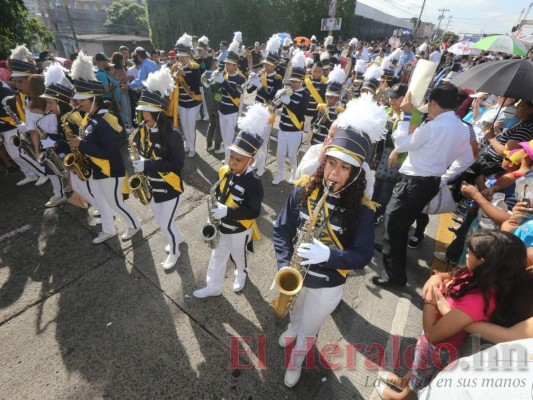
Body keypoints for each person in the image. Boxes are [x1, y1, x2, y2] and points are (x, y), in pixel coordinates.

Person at [273, 95, 386, 387]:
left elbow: (361, 255)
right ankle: (291, 328)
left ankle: (297, 360)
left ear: (356, 173)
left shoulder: (362, 210)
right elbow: (282, 230)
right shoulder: (302, 191)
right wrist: (285, 265)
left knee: (310, 328)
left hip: (327, 284)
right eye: (330, 163)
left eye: (344, 167)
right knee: (296, 313)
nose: (333, 173)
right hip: (297, 274)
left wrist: (329, 256)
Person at [375, 230, 528, 400]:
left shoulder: (476, 301)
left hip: (437, 348)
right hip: (433, 343)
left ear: (483, 262)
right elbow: (455, 275)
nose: (466, 256)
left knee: (420, 379)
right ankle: (404, 381)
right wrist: (437, 278)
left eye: (469, 253)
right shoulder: (480, 276)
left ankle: (401, 397)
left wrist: (429, 301)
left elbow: (433, 334)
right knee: (418, 369)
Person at [373, 84, 474, 289]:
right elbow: (469, 158)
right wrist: (443, 177)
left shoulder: (433, 126)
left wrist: (407, 115)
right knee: (399, 226)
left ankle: (394, 276)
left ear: (434, 103)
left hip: (413, 183)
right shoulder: (463, 129)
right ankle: (390, 252)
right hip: (429, 182)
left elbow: (401, 143)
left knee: (394, 225)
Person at [193, 103, 267, 298]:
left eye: (238, 160)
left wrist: (227, 212)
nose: (231, 163)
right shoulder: (226, 171)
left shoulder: (254, 183)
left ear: (251, 161)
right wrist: (214, 215)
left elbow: (253, 211)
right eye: (230, 157)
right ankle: (213, 286)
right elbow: (219, 194)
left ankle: (241, 274)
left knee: (238, 257)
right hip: (221, 226)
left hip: (239, 229)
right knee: (217, 256)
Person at [67, 51, 141, 244]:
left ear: (93, 100)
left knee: (115, 202)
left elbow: (109, 152)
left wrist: (81, 144)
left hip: (110, 170)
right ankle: (109, 229)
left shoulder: (103, 121)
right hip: (97, 170)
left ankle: (135, 224)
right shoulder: (90, 118)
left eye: (81, 101)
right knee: (102, 202)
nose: (78, 104)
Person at [133, 66, 186, 270]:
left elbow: (177, 164)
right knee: (162, 221)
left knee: (165, 224)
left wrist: (148, 164)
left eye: (145, 111)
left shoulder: (173, 135)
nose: (141, 115)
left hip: (171, 188)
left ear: (156, 111)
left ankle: (175, 251)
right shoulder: (142, 131)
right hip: (152, 187)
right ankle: (177, 237)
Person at [39, 62, 92, 210]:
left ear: (60, 102)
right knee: (77, 184)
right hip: (74, 156)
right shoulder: (61, 116)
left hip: (82, 157)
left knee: (83, 185)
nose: (48, 107)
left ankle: (97, 206)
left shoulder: (71, 117)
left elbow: (81, 138)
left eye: (50, 103)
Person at [4, 44, 48, 186]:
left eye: (19, 82)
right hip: (35, 133)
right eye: (14, 82)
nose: (16, 85)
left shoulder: (42, 94)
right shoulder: (22, 95)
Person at [246, 34, 283, 177]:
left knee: (264, 141)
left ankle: (262, 166)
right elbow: (250, 90)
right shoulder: (261, 74)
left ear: (275, 65)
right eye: (265, 63)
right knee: (254, 138)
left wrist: (260, 86)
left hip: (268, 111)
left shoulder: (278, 79)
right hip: (256, 109)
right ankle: (256, 161)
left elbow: (272, 97)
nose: (265, 65)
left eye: (268, 64)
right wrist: (251, 81)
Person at [272, 51, 309, 185]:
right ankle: (280, 174)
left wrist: (288, 102)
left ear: (301, 81)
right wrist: (278, 98)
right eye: (292, 81)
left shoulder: (305, 94)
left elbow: (300, 112)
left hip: (295, 130)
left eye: (295, 82)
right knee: (280, 153)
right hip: (282, 127)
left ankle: (294, 174)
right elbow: (278, 105)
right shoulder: (288, 91)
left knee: (292, 155)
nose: (292, 84)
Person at [210, 40, 245, 164]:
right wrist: (214, 81)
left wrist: (223, 82)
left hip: (232, 112)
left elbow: (236, 94)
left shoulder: (240, 78)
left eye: (229, 64)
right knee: (225, 138)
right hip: (222, 110)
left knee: (230, 139)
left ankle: (228, 161)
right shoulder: (224, 75)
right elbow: (213, 90)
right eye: (226, 64)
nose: (226, 66)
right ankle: (226, 159)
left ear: (235, 65)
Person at [169, 33, 202, 157]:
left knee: (191, 125)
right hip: (181, 102)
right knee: (184, 124)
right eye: (180, 56)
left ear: (189, 55)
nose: (181, 59)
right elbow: (172, 84)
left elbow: (196, 85)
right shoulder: (175, 67)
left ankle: (193, 148)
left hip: (193, 102)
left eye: (184, 56)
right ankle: (188, 144)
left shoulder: (195, 67)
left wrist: (185, 75)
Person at [310, 64, 344, 145]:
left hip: (327, 144)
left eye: (331, 97)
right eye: (327, 97)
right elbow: (312, 124)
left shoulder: (339, 112)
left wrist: (326, 121)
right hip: (315, 141)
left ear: (337, 98)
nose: (328, 99)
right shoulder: (322, 107)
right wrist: (318, 116)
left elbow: (337, 132)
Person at [201, 57, 223, 153]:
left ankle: (209, 145)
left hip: (208, 103)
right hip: (217, 103)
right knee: (218, 126)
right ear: (213, 63)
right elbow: (218, 92)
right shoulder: (215, 75)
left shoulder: (203, 75)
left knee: (211, 124)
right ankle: (217, 147)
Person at [303, 62, 328, 137]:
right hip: (303, 113)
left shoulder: (325, 84)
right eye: (315, 71)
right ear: (311, 70)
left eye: (319, 72)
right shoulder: (305, 81)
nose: (317, 74)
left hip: (314, 115)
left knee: (310, 139)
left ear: (322, 72)